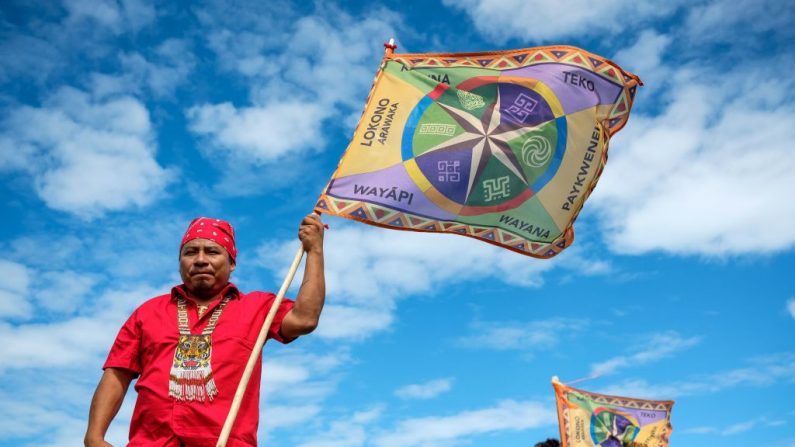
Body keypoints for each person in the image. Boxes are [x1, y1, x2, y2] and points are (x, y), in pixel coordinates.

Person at [85, 214, 326, 447]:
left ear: (231, 263)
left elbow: (304, 319)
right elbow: (117, 373)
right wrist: (94, 438)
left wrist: (314, 250)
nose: (200, 259)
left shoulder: (258, 307)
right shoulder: (147, 312)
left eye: (212, 251)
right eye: (190, 252)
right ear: (180, 263)